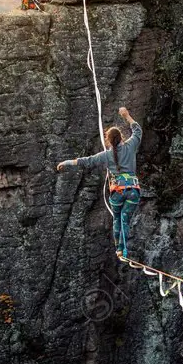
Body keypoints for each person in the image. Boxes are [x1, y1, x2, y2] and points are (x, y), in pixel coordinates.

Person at [57, 107, 143, 259]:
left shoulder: (106, 155)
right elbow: (137, 130)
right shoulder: (130, 146)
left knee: (117, 218)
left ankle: (119, 249)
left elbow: (87, 161)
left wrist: (67, 162)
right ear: (121, 137)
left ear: (108, 140)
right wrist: (126, 115)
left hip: (118, 192)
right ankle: (123, 249)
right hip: (133, 190)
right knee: (125, 219)